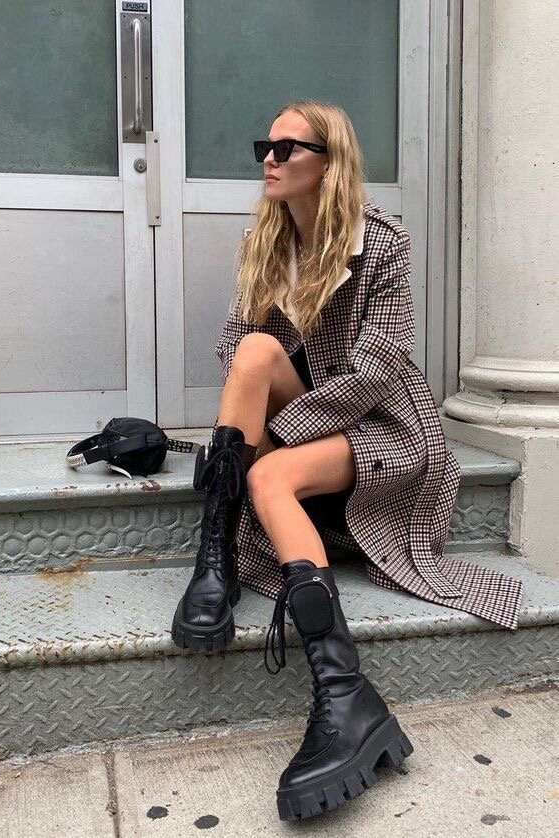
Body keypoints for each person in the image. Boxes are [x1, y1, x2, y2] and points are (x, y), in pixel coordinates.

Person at [171, 99, 524, 822]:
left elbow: (376, 373)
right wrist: (276, 404)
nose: (269, 160)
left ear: (329, 162)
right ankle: (218, 559)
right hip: (312, 410)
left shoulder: (381, 245)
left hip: (382, 425)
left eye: (287, 148)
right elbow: (234, 345)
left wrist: (280, 433)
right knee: (253, 350)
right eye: (264, 146)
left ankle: (342, 691)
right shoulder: (263, 241)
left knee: (268, 472)